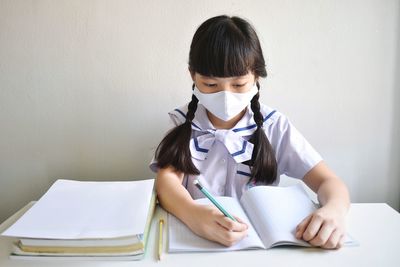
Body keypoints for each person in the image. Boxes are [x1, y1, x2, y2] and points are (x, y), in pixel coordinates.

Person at [149, 15, 350, 250]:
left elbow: (329, 181)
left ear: (256, 76)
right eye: (211, 85)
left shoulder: (274, 126)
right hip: (197, 246)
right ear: (192, 76)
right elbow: (166, 183)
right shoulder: (183, 122)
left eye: (238, 85)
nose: (225, 96)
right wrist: (193, 214)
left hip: (260, 251)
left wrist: (334, 210)